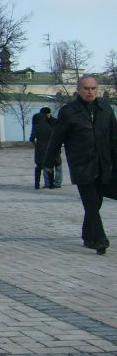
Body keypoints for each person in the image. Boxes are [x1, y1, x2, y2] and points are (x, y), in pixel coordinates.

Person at [44, 75, 117, 255]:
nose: (90, 92)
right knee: (90, 202)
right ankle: (100, 239)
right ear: (78, 90)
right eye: (86, 88)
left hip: (102, 164)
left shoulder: (106, 109)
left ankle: (87, 235)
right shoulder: (69, 111)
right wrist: (49, 162)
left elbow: (114, 138)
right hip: (81, 164)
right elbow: (56, 138)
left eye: (93, 88)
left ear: (97, 89)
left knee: (96, 202)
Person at [29, 107, 58, 189]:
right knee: (49, 166)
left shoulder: (36, 126)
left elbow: (31, 138)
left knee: (38, 167)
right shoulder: (50, 126)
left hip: (39, 148)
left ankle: (37, 185)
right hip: (49, 148)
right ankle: (51, 184)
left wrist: (36, 145)